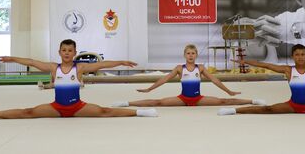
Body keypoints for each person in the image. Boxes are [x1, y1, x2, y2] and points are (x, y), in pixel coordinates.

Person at [0, 39, 157, 120]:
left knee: (104, 111)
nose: (67, 53)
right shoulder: (54, 67)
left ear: (75, 53)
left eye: (70, 51)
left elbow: (102, 65)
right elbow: (32, 62)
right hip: (57, 107)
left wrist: (121, 62)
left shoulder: (81, 67)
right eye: (64, 50)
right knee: (27, 112)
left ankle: (140, 112)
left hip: (78, 107)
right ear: (59, 52)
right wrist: (13, 58)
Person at [112, 44, 265, 107]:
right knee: (157, 103)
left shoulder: (201, 67)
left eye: (193, 53)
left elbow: (214, 80)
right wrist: (149, 89)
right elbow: (164, 79)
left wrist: (229, 91)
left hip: (198, 99)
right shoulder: (179, 68)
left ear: (196, 55)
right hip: (182, 98)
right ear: (184, 55)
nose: (191, 56)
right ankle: (127, 103)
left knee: (224, 101)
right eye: (188, 53)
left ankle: (253, 101)